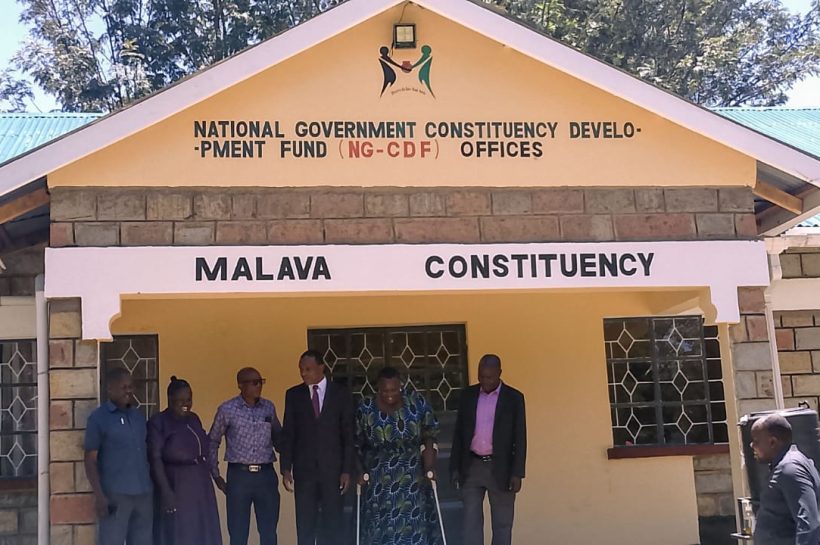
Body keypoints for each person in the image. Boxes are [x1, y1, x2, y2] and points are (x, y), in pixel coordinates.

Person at [356, 366, 442, 545]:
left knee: (412, 528)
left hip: (412, 477)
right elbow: (355, 442)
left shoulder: (415, 403)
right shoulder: (365, 407)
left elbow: (429, 434)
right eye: (385, 390)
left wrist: (429, 466)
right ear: (378, 388)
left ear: (400, 386)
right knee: (380, 528)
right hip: (378, 478)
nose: (390, 394)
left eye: (394, 389)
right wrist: (359, 469)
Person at [279, 349, 355, 545]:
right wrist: (286, 467)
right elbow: (289, 433)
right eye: (301, 369)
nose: (303, 373)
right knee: (305, 526)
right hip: (305, 472)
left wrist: (346, 470)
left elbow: (348, 434)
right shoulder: (293, 395)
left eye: (308, 369)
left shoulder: (340, 393)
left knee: (333, 525)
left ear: (321, 367)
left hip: (333, 471)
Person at [450, 354, 526, 545]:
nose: (484, 381)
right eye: (481, 376)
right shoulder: (468, 395)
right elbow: (459, 433)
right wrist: (455, 467)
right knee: (470, 525)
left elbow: (520, 437)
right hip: (472, 465)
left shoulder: (514, 398)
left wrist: (517, 473)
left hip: (501, 469)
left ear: (499, 373)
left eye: (489, 377)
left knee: (502, 525)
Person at [208, 367, 282, 545]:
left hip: (266, 476)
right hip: (240, 476)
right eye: (254, 382)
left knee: (269, 532)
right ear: (240, 385)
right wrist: (216, 475)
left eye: (261, 382)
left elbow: (279, 437)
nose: (259, 386)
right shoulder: (227, 409)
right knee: (238, 533)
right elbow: (212, 441)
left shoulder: (268, 407)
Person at [147, 376, 222, 545]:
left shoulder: (194, 418)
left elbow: (205, 447)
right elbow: (155, 458)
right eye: (180, 400)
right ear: (170, 399)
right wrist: (166, 491)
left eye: (189, 399)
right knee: (179, 532)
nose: (185, 404)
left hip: (200, 483)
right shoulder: (159, 421)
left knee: (202, 531)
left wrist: (216, 477)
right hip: (176, 483)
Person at [83, 367, 153, 545]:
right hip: (115, 496)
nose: (128, 391)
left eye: (130, 386)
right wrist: (99, 496)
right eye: (123, 387)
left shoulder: (137, 416)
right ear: (110, 389)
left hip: (143, 494)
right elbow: (90, 460)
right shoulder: (99, 418)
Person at [751, 414, 820, 545]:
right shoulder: (787, 464)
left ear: (772, 442)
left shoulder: (790, 469)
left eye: (756, 440)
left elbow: (808, 523)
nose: (751, 445)